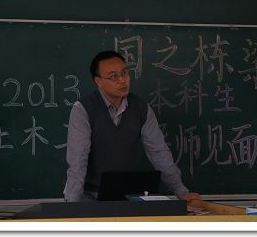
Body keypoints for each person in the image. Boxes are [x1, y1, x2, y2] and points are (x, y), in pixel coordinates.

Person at [63, 50, 201, 202]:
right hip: (88, 195)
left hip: (126, 195)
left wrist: (181, 192)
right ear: (98, 81)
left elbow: (159, 153)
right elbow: (77, 160)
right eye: (114, 76)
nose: (122, 80)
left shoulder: (141, 109)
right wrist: (72, 205)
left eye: (124, 73)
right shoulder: (83, 109)